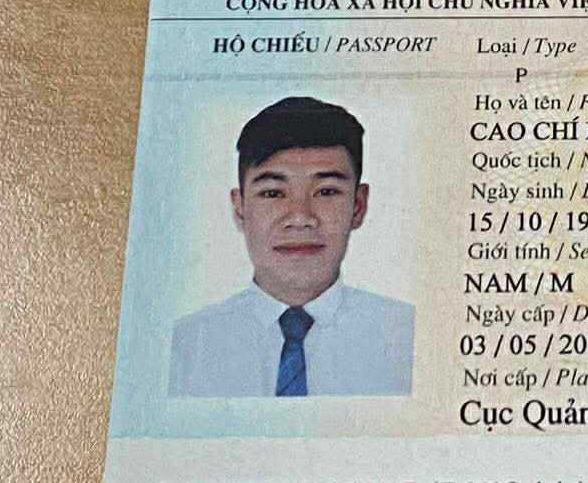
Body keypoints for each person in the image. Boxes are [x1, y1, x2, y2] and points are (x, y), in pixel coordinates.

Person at [169, 96, 414, 398]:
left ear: (358, 206)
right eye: (273, 193)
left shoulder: (407, 338)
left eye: (326, 191)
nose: (300, 217)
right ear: (240, 207)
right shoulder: (183, 348)